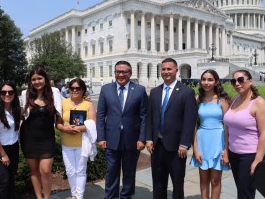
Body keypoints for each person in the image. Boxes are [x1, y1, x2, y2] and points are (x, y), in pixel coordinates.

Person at [146, 58, 198, 199]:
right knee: (158, 183)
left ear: (176, 70)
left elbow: (189, 120)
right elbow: (150, 118)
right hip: (157, 146)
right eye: (163, 69)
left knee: (177, 183)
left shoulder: (186, 92)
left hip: (176, 148)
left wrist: (184, 143)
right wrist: (149, 138)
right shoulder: (155, 92)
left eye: (169, 69)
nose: (166, 72)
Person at [97, 60, 148, 199]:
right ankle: (111, 196)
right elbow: (100, 115)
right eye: (118, 71)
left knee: (129, 172)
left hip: (132, 140)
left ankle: (126, 196)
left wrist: (142, 138)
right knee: (111, 172)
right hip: (111, 139)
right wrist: (101, 137)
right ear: (114, 73)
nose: (121, 74)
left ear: (130, 73)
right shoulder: (106, 89)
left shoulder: (139, 90)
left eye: (124, 72)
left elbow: (144, 116)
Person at [20, 67, 61, 199]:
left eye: (39, 78)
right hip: (29, 138)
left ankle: (47, 197)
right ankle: (39, 197)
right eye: (33, 79)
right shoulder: (25, 93)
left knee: (45, 170)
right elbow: (19, 113)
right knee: (34, 171)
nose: (37, 82)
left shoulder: (54, 92)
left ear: (45, 79)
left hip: (47, 138)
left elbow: (62, 111)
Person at [224, 70, 265, 199]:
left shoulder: (259, 102)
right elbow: (228, 127)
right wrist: (226, 150)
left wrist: (257, 160)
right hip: (234, 153)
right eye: (233, 81)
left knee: (245, 193)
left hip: (249, 155)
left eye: (241, 80)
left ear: (250, 81)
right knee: (241, 189)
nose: (237, 83)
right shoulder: (235, 99)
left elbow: (264, 133)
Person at [189, 69, 231, 199]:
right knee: (203, 179)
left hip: (218, 141)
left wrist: (226, 150)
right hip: (202, 141)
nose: (206, 82)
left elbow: (228, 126)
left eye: (210, 79)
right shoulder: (198, 99)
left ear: (216, 82)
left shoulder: (222, 101)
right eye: (204, 79)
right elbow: (193, 125)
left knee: (215, 180)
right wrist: (195, 149)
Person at [57, 78, 96, 199]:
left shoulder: (88, 104)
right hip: (66, 143)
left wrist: (78, 129)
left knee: (80, 171)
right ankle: (74, 194)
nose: (74, 90)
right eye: (72, 88)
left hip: (82, 143)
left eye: (78, 88)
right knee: (70, 171)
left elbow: (93, 124)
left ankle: (79, 197)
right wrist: (65, 128)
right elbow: (57, 124)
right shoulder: (63, 103)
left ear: (83, 89)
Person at [0, 81, 21, 198]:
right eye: (4, 92)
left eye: (10, 92)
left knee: (11, 179)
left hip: (13, 147)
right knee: (4, 180)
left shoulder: (15, 108)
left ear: (14, 93)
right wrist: (3, 154)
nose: (7, 94)